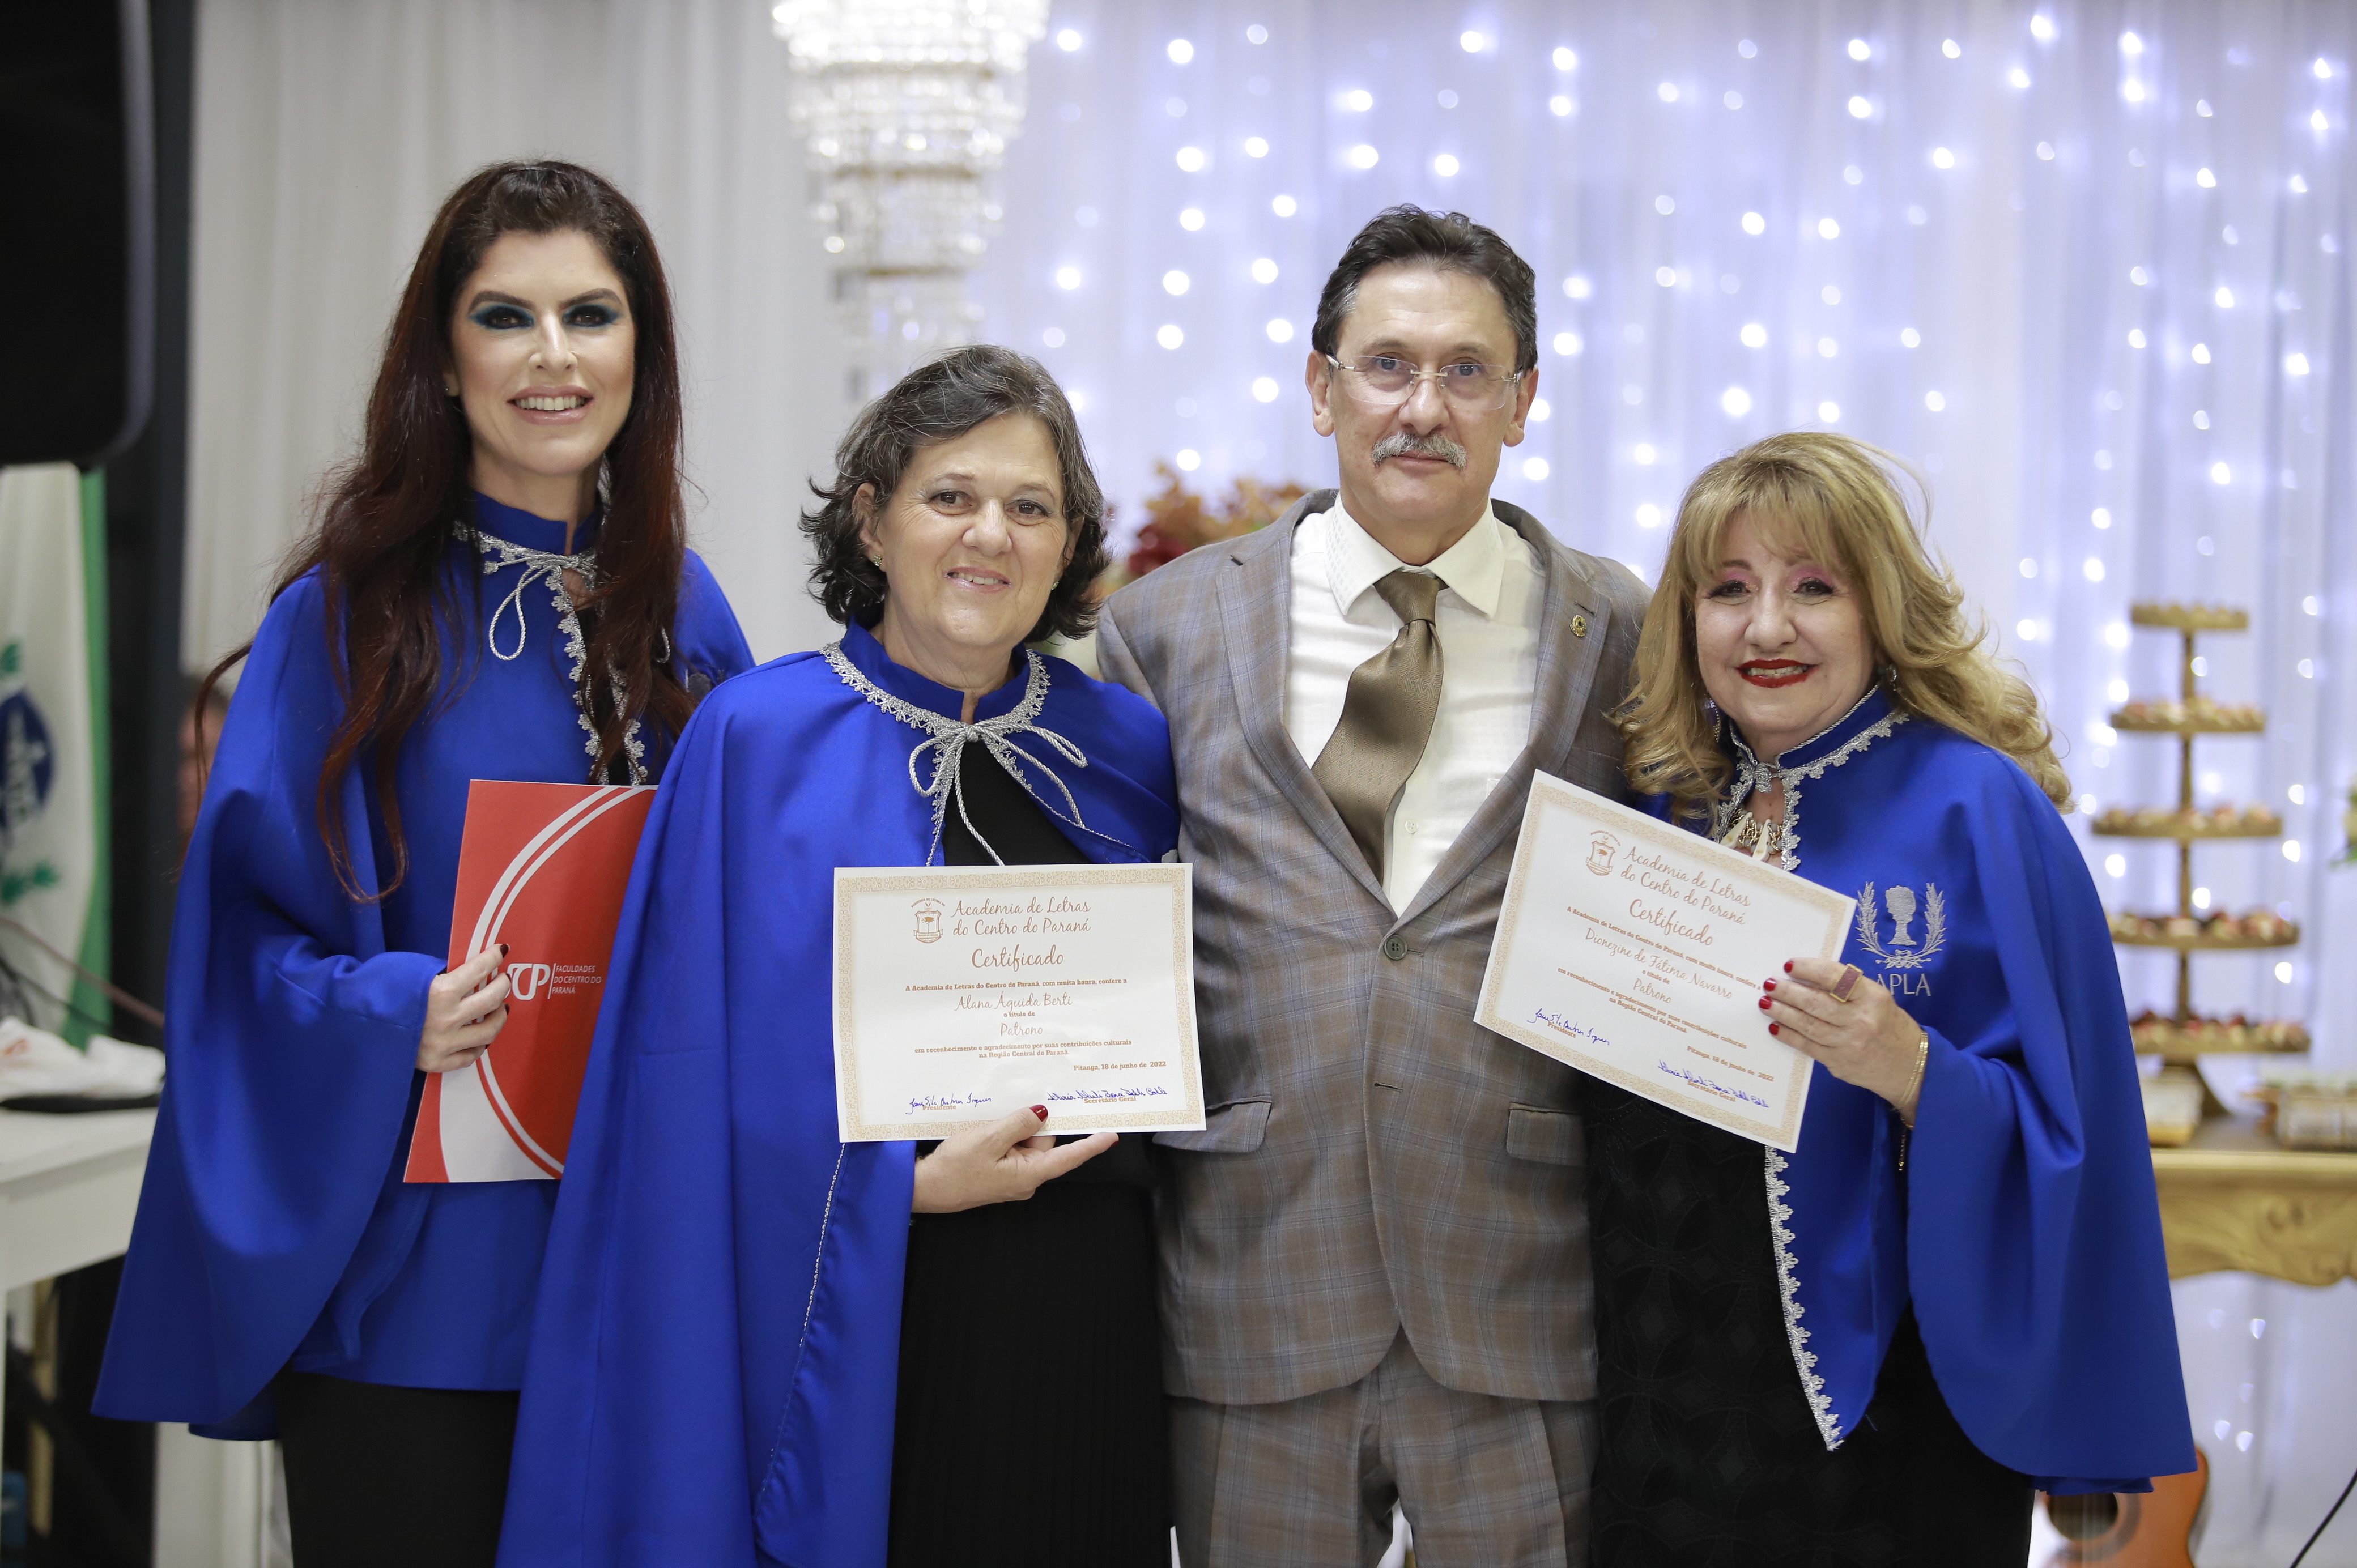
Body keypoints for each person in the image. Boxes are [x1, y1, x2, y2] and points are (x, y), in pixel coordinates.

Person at [96, 160, 755, 1566]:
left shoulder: (685, 611)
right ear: (443, 361)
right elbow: (236, 951)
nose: (555, 357)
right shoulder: (347, 616)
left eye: (592, 313)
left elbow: (743, 914)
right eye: (505, 316)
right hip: (417, 1290)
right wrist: (389, 1007)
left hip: (632, 1272)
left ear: (643, 349)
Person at [497, 345, 1180, 1568]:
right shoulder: (752, 738)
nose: (991, 535)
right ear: (871, 521)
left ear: (1070, 541)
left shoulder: (1124, 744)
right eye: (951, 496)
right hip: (861, 1312)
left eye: (1031, 507)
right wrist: (899, 1189)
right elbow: (681, 1089)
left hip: (1085, 1309)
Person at [1096, 205, 1648, 1567]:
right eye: (1387, 365)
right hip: (1252, 1278)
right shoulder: (1162, 626)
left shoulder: (1623, 629)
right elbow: (1102, 930)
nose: (1423, 406)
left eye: (1467, 371)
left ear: (1520, 402)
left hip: (1520, 1285)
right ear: (1320, 384)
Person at [1588, 432, 2192, 1563]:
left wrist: (1914, 1071)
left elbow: (2079, 1137)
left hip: (1894, 1392)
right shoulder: (1657, 812)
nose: (1766, 627)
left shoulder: (1983, 806)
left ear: (1882, 612)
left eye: (1813, 587)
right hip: (1662, 1379)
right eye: (1728, 591)